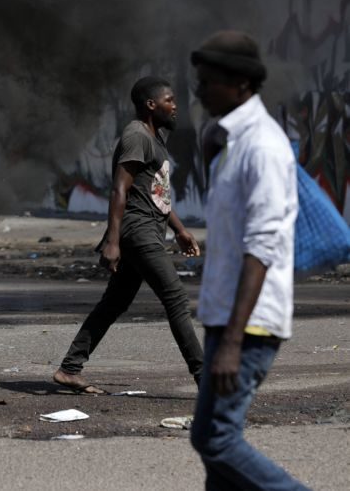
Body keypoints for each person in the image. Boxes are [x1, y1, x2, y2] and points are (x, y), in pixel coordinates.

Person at [188, 31, 308, 490]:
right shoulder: (230, 142)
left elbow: (262, 246)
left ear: (240, 83)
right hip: (226, 317)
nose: (197, 92)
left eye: (208, 82)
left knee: (216, 440)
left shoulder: (263, 147)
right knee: (216, 460)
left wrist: (234, 341)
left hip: (250, 326)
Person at [53, 76, 204, 394]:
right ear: (152, 105)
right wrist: (112, 242)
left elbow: (155, 193)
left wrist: (179, 230)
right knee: (175, 299)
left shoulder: (154, 138)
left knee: (115, 302)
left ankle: (70, 368)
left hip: (147, 228)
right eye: (170, 100)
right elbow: (120, 189)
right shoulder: (137, 136)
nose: (176, 107)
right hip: (138, 230)